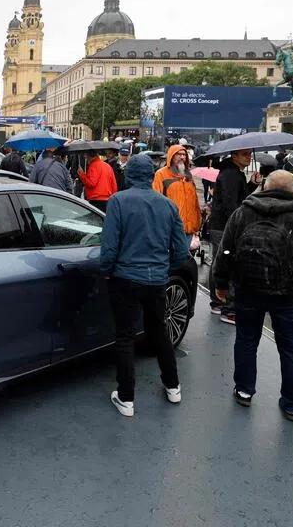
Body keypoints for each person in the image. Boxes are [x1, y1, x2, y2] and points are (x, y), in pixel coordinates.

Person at [213, 171, 293, 422]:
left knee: (246, 341)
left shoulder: (244, 212)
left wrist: (221, 283)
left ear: (264, 186)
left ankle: (244, 390)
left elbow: (226, 250)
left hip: (248, 290)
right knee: (292, 350)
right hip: (291, 296)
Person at [100, 153, 189, 417]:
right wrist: (164, 268)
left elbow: (109, 247)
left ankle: (126, 398)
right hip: (157, 281)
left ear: (128, 176)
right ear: (152, 176)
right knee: (158, 331)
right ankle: (173, 386)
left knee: (125, 336)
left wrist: (107, 271)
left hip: (125, 278)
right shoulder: (168, 206)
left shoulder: (118, 202)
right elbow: (182, 252)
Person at [208, 148, 261, 322]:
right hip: (225, 226)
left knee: (220, 262)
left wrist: (252, 184)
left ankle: (218, 303)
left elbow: (238, 197)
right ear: (234, 156)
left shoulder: (231, 172)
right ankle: (228, 308)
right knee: (226, 265)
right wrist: (237, 225)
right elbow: (231, 203)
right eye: (245, 154)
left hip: (222, 225)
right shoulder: (231, 174)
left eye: (249, 154)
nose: (249, 157)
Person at [153, 144, 201, 238]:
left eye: (184, 155)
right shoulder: (161, 174)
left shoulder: (188, 176)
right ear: (171, 156)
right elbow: (156, 201)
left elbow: (195, 202)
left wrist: (197, 223)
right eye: (178, 154)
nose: (182, 157)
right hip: (170, 229)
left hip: (189, 229)